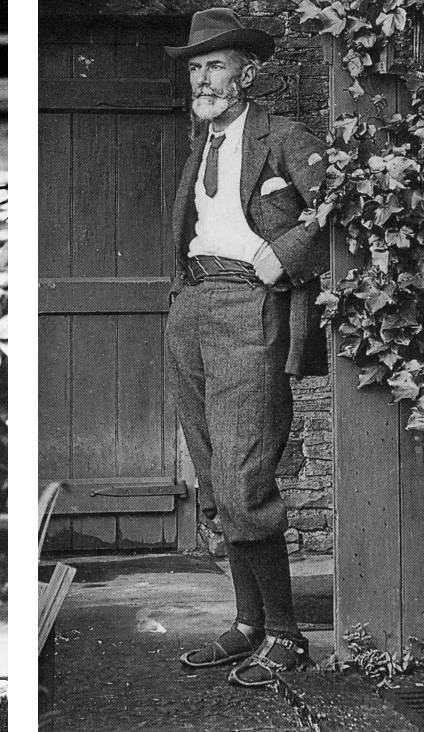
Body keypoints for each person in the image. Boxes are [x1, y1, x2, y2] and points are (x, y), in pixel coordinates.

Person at [164, 8, 328, 686]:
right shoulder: (199, 145)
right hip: (192, 308)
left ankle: (286, 635)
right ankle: (247, 623)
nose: (203, 77)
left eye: (217, 64)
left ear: (248, 73)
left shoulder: (284, 137)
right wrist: (181, 299)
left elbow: (334, 207)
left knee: (243, 476)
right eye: (197, 65)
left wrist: (280, 257)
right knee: (212, 475)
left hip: (250, 307)